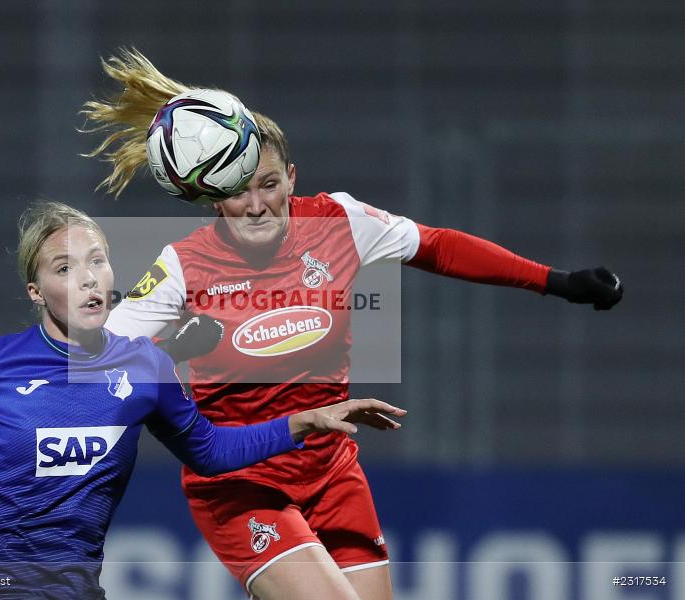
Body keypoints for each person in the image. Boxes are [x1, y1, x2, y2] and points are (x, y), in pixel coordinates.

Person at [82, 49, 624, 600]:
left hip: (332, 472)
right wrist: (169, 349)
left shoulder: (338, 221)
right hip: (242, 484)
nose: (256, 204)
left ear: (291, 178)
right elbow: (95, 356)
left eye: (268, 183)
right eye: (237, 190)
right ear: (213, 199)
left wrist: (555, 280)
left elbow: (435, 246)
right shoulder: (183, 267)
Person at [0, 201, 404, 600]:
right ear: (36, 291)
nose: (89, 279)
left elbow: (211, 452)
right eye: (65, 268)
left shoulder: (146, 368)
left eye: (97, 261)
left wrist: (305, 421)